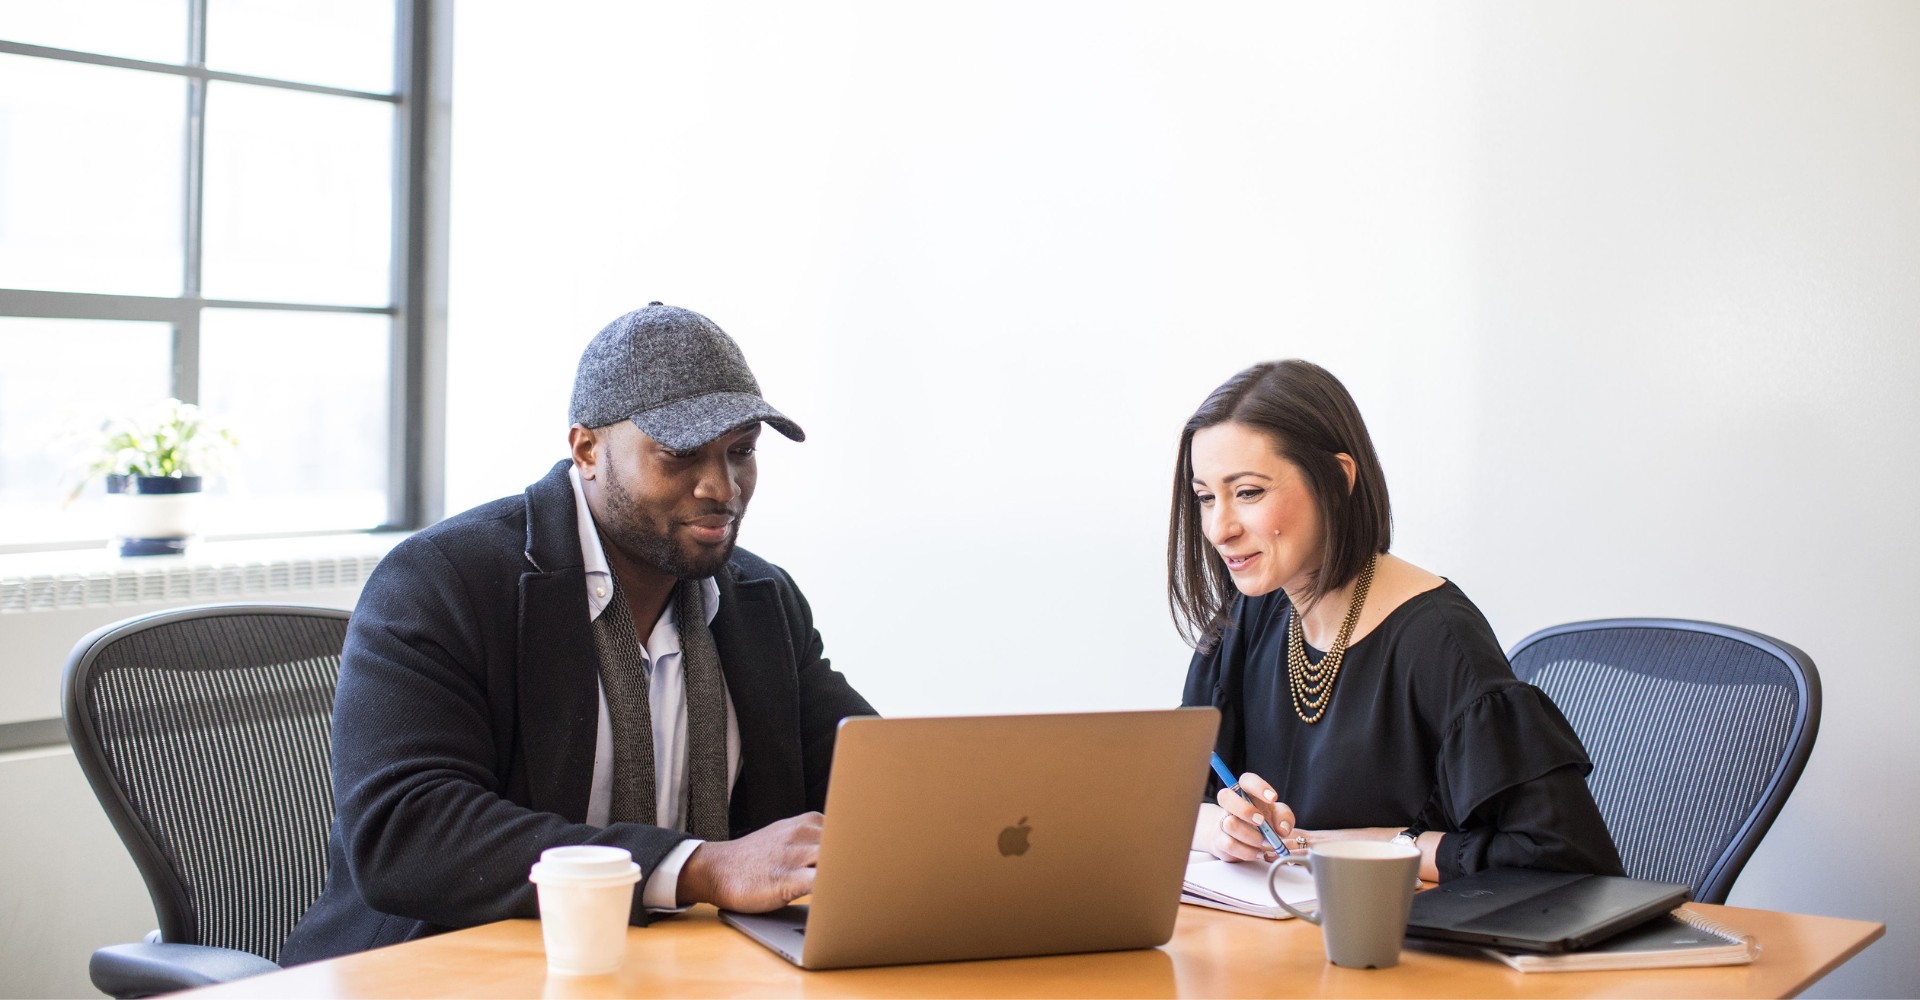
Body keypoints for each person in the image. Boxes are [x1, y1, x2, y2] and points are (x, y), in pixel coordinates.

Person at [282, 303, 876, 964]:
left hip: (680, 969)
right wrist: (698, 867)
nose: (720, 486)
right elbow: (405, 831)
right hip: (448, 966)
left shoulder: (760, 601)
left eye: (740, 452)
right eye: (680, 454)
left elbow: (870, 784)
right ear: (587, 449)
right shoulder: (443, 581)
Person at [1171, 360, 1622, 884]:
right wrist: (1230, 828)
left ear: (1336, 480)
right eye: (1205, 498)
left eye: (1247, 492)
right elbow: (1170, 804)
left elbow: (1563, 858)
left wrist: (1356, 845)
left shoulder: (1437, 640)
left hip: (1409, 953)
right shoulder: (1245, 617)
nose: (1219, 528)